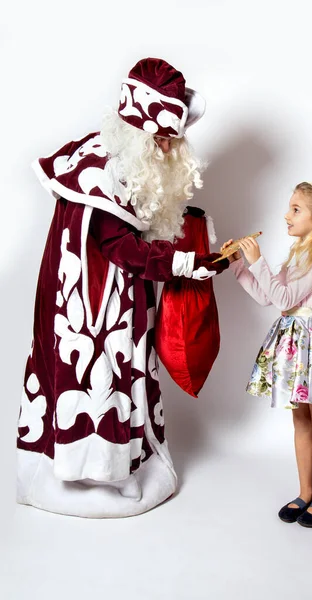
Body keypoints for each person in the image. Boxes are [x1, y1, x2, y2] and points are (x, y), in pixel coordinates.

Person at [17, 57, 228, 518]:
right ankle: (89, 473)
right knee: (98, 377)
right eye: (166, 140)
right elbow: (124, 248)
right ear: (145, 134)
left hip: (112, 295)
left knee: (115, 375)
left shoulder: (114, 157)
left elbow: (139, 224)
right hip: (91, 304)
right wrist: (183, 263)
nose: (173, 150)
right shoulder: (101, 172)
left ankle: (113, 471)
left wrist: (190, 231)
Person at [222, 182, 312, 528]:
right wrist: (239, 265)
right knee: (300, 421)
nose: (287, 215)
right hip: (292, 344)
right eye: (289, 208)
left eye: (296, 209)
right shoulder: (298, 254)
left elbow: (286, 301)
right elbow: (267, 296)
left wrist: (257, 260)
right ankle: (305, 492)